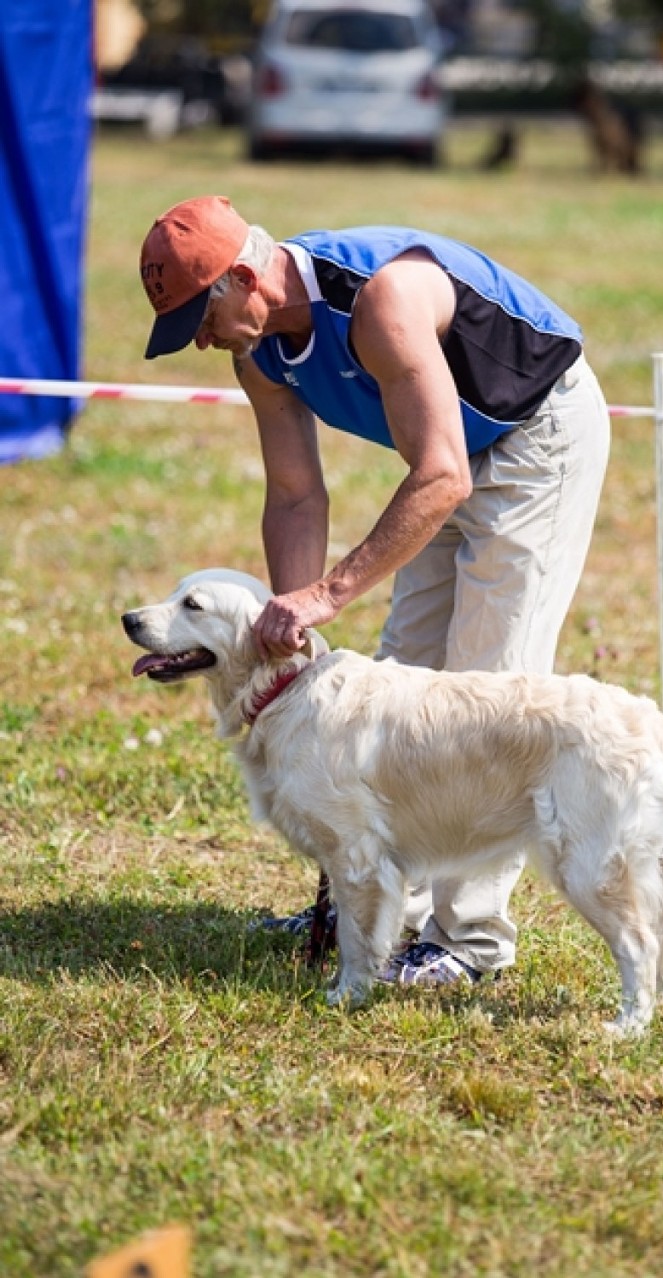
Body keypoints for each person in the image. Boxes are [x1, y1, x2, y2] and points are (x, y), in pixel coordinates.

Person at [139, 195, 611, 988]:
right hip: (448, 454)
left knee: (484, 689)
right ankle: (380, 908)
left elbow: (443, 474)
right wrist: (288, 649)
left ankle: (469, 944)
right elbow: (295, 495)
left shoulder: (382, 301)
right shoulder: (255, 354)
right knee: (404, 679)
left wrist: (329, 593)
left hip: (535, 435)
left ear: (245, 276)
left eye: (200, 314)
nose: (199, 338)